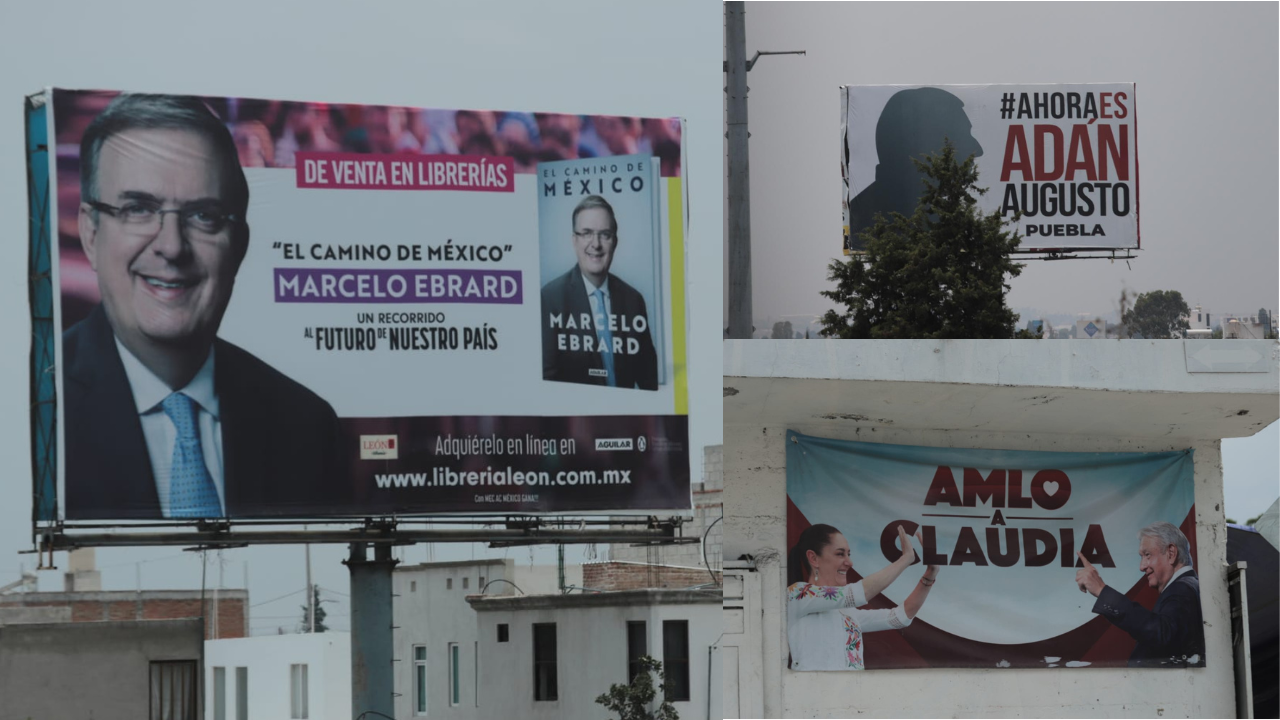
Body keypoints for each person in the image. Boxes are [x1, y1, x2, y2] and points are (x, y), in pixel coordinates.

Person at [62, 93, 344, 520]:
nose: (172, 246)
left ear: (240, 245)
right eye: (138, 209)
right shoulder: (35, 409)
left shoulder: (306, 424)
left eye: (203, 216)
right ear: (90, 233)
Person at [541, 195, 658, 390]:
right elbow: (547, 382)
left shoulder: (633, 300)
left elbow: (649, 378)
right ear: (574, 240)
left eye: (604, 234)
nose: (595, 244)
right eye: (586, 233)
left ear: (615, 242)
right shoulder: (550, 299)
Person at [846, 87, 983, 253]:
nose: (978, 149)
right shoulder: (865, 222)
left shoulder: (863, 213)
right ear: (928, 146)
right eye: (962, 136)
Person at [787, 523, 940, 670]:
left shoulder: (847, 612)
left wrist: (930, 575)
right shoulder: (798, 595)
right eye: (840, 554)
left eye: (848, 554)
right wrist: (905, 559)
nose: (849, 562)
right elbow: (859, 593)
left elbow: (899, 617)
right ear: (813, 558)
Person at [1074, 521, 1206, 667]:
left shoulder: (1182, 589)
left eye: (1147, 555)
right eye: (1141, 557)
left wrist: (1101, 590)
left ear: (1171, 553)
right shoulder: (1188, 586)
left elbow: (1160, 632)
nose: (1142, 567)